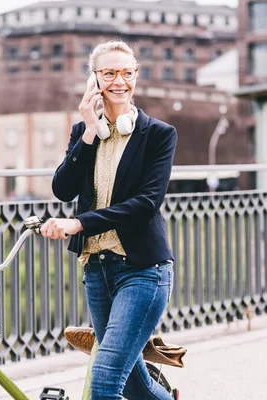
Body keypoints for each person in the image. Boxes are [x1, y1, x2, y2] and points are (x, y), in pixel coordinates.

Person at [40, 40, 178, 400]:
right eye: (109, 73)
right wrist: (88, 129)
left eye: (127, 72)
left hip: (143, 270)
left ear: (136, 76)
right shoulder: (85, 133)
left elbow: (145, 203)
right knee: (134, 384)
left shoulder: (159, 135)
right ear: (94, 79)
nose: (120, 81)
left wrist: (80, 224)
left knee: (104, 380)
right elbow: (63, 190)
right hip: (97, 271)